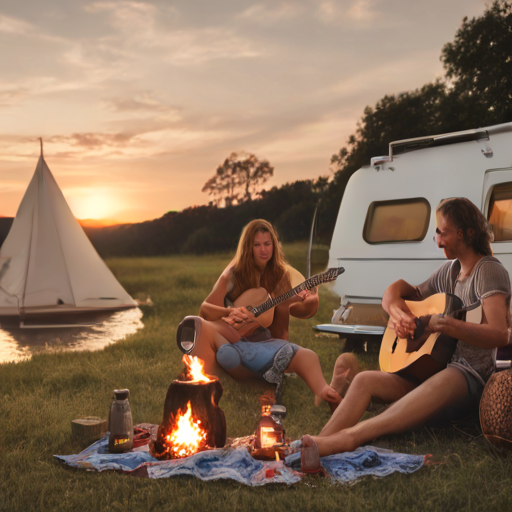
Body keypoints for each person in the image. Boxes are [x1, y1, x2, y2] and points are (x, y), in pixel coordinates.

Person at [298, 198, 511, 471]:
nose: (437, 240)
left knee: (412, 398)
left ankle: (348, 439)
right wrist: (398, 313)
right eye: (437, 233)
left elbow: (499, 334)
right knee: (363, 380)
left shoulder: (489, 270)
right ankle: (319, 441)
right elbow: (399, 291)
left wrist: (445, 325)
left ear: (463, 233)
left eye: (442, 232)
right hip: (433, 369)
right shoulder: (450, 271)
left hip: (468, 375)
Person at [176, 219, 341, 407]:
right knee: (195, 323)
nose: (263, 250)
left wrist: (295, 301)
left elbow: (285, 328)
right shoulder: (233, 274)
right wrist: (230, 312)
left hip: (262, 343)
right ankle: (220, 371)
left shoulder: (281, 276)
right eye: (257, 245)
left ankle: (324, 391)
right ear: (248, 247)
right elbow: (205, 310)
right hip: (228, 335)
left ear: (274, 245)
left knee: (308, 355)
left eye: (267, 244)